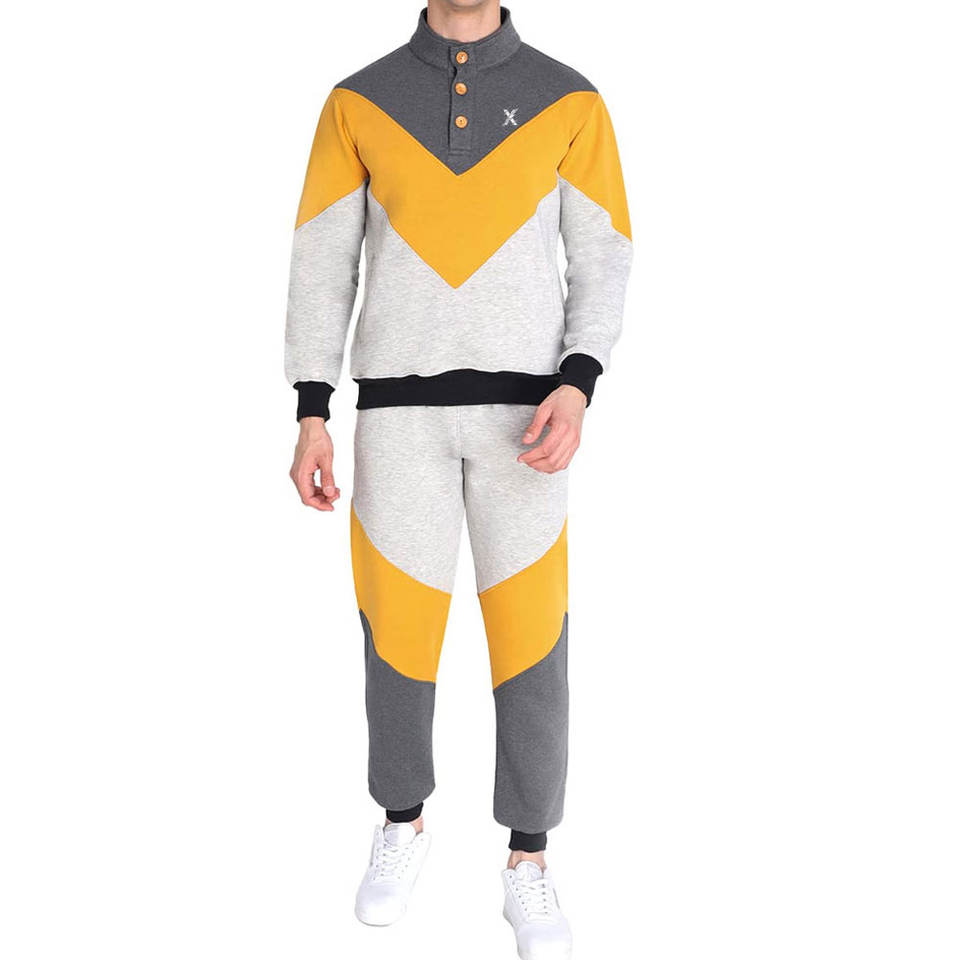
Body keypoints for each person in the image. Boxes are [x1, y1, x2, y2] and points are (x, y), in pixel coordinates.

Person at [285, 1, 631, 955]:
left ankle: (529, 858)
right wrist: (312, 406)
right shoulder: (357, 102)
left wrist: (580, 380)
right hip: (395, 414)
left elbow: (604, 250)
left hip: (529, 418)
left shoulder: (570, 100)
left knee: (532, 635)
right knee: (395, 628)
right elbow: (323, 255)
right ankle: (401, 823)